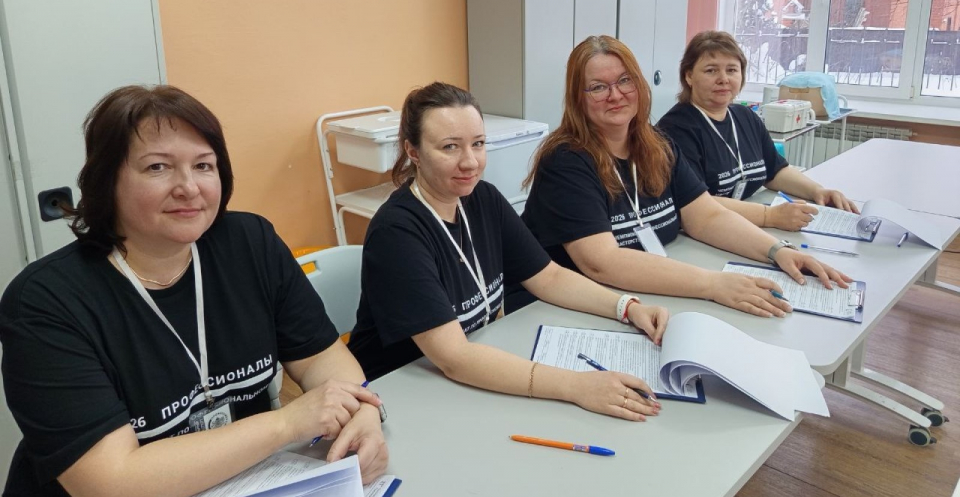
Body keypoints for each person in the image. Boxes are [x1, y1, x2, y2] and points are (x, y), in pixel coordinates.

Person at [0, 86, 387, 497]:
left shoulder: (250, 243)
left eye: (203, 165)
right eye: (157, 167)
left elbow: (321, 358)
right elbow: (110, 481)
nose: (188, 187)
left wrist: (362, 413)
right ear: (106, 181)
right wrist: (286, 423)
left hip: (241, 482)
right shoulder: (45, 302)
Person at [347, 82, 669, 422]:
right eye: (449, 147)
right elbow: (454, 358)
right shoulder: (397, 232)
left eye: (478, 144)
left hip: (467, 377)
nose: (470, 162)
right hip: (400, 392)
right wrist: (576, 385)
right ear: (413, 151)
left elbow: (549, 277)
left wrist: (627, 307)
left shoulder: (482, 199)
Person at [519, 35, 852, 319]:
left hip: (648, 292)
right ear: (578, 98)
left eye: (624, 81)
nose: (615, 95)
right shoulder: (566, 161)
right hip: (572, 308)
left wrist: (777, 250)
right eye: (597, 87)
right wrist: (712, 284)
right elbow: (602, 263)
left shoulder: (657, 145)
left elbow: (706, 216)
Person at [658, 30, 859, 232]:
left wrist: (818, 191)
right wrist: (770, 216)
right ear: (689, 76)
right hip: (704, 231)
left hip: (745, 223)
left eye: (732, 70)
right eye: (711, 71)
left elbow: (775, 171)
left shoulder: (745, 116)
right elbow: (699, 204)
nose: (723, 79)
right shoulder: (675, 129)